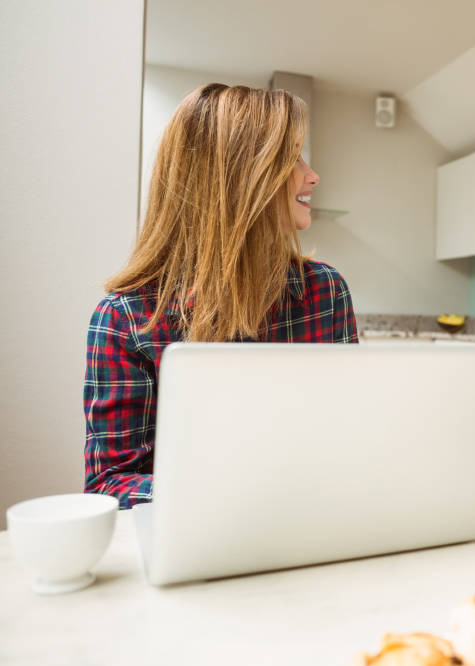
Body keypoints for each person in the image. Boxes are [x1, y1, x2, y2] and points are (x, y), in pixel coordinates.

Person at [83, 84, 358, 509]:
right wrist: (232, 495)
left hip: (316, 519)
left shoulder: (325, 292)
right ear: (239, 177)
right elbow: (110, 484)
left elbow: (349, 434)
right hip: (196, 544)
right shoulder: (126, 319)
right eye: (292, 158)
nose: (313, 175)